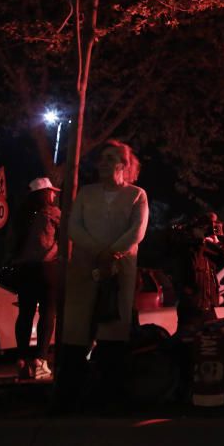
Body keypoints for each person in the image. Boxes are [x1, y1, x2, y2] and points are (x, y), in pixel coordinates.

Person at [55, 140, 149, 413]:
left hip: (119, 272)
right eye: (102, 158)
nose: (104, 163)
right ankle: (67, 400)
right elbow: (74, 227)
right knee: (77, 333)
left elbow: (137, 231)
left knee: (113, 333)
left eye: (111, 158)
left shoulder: (137, 195)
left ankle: (110, 399)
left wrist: (114, 254)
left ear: (124, 164)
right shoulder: (86, 193)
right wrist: (99, 252)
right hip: (85, 269)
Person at [12, 177, 61, 380]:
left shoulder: (22, 215)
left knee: (25, 313)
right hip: (46, 267)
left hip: (24, 269)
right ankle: (40, 362)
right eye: (52, 191)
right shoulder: (52, 213)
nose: (54, 195)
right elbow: (66, 236)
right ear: (45, 193)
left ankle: (22, 360)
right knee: (48, 313)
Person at [173, 212, 224, 335]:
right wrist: (200, 241)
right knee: (188, 346)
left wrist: (216, 241)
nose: (210, 229)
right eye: (206, 227)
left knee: (212, 347)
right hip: (192, 309)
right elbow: (192, 265)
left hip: (209, 308)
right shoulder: (188, 247)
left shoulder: (208, 248)